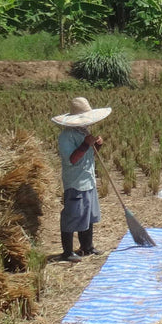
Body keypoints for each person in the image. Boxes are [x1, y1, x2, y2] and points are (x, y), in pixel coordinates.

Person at [52, 96, 112, 262]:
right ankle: (67, 252)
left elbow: (90, 155)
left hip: (88, 180)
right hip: (75, 183)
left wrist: (97, 144)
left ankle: (87, 247)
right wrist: (85, 144)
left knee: (88, 215)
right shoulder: (66, 137)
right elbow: (72, 159)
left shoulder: (84, 132)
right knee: (72, 216)